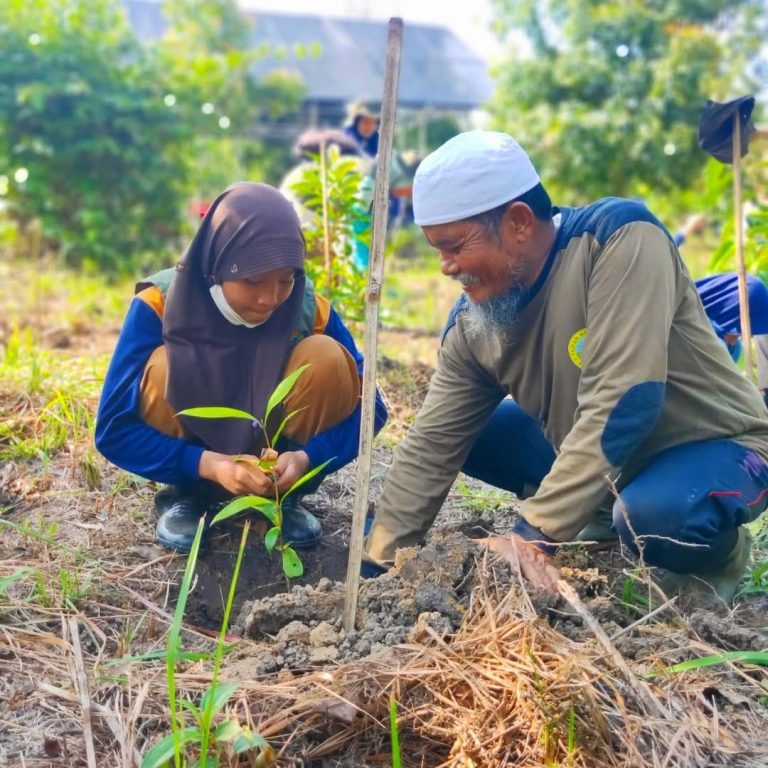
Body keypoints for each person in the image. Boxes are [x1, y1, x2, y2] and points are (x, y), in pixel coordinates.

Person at [364, 130, 768, 603]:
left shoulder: (617, 242)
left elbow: (625, 402)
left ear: (517, 221)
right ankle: (595, 509)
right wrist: (379, 565)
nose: (445, 267)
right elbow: (431, 444)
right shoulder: (473, 326)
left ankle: (714, 553)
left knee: (658, 517)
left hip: (713, 446)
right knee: (470, 432)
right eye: (437, 250)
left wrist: (532, 534)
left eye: (454, 247)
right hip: (609, 461)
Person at [96, 182, 387, 553]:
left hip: (279, 465)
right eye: (252, 281)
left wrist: (305, 458)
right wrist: (206, 464)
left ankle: (284, 500)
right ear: (216, 265)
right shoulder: (160, 305)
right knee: (163, 367)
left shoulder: (307, 309)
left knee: (327, 358)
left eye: (286, 280)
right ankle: (188, 497)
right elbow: (112, 429)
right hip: (195, 465)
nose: (270, 298)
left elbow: (372, 409)